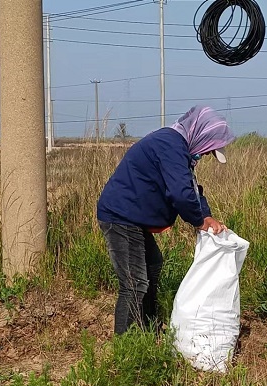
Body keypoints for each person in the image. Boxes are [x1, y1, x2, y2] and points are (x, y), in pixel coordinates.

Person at [97, 106, 236, 335]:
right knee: (134, 283)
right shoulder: (170, 145)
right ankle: (125, 344)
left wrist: (206, 215)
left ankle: (148, 329)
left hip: (134, 217)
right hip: (121, 216)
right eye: (208, 150)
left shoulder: (178, 148)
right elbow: (180, 194)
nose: (205, 155)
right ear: (200, 135)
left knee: (153, 265)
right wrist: (199, 221)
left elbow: (190, 186)